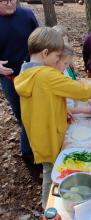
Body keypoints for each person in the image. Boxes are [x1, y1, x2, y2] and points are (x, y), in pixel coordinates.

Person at [14, 27, 91, 209]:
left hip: (39, 134)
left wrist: (62, 112)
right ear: (45, 53)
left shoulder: (26, 72)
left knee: (50, 169)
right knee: (52, 175)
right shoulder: (46, 74)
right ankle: (50, 208)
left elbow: (43, 103)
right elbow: (77, 89)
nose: (57, 61)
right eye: (56, 56)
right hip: (50, 137)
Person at [0, 0, 38, 164]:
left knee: (35, 114)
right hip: (10, 79)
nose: (10, 3)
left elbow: (41, 41)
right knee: (22, 116)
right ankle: (28, 155)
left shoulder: (27, 15)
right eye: (4, 0)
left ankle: (38, 150)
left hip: (33, 76)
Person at [56, 44, 91, 116]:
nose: (66, 67)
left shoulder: (65, 69)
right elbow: (61, 108)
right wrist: (83, 110)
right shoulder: (56, 78)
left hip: (73, 107)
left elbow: (75, 84)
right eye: (65, 64)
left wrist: (87, 98)